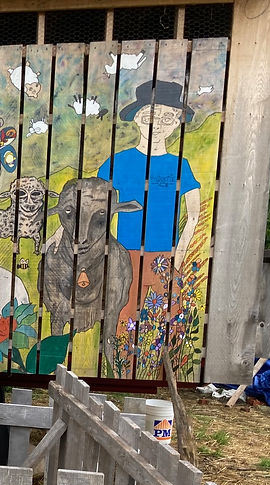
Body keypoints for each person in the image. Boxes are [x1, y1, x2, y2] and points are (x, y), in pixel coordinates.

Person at [97, 80, 200, 377]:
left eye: (168, 117)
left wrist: (177, 259)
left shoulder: (181, 165)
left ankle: (158, 376)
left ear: (177, 123)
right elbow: (95, 206)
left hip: (165, 258)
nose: (159, 124)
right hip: (125, 257)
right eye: (152, 115)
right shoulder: (118, 162)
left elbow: (193, 216)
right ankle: (121, 376)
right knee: (124, 316)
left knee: (168, 320)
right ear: (138, 117)